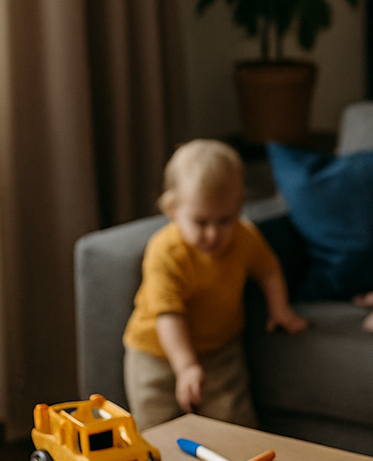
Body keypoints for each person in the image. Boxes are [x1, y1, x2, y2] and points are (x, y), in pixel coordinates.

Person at [123, 139, 307, 429]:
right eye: (201, 222)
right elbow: (168, 314)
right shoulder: (165, 252)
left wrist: (279, 309)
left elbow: (268, 269)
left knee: (235, 425)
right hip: (156, 356)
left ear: (238, 207)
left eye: (225, 220)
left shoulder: (245, 237)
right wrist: (185, 367)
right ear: (172, 209)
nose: (213, 234)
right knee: (158, 429)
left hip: (220, 352)